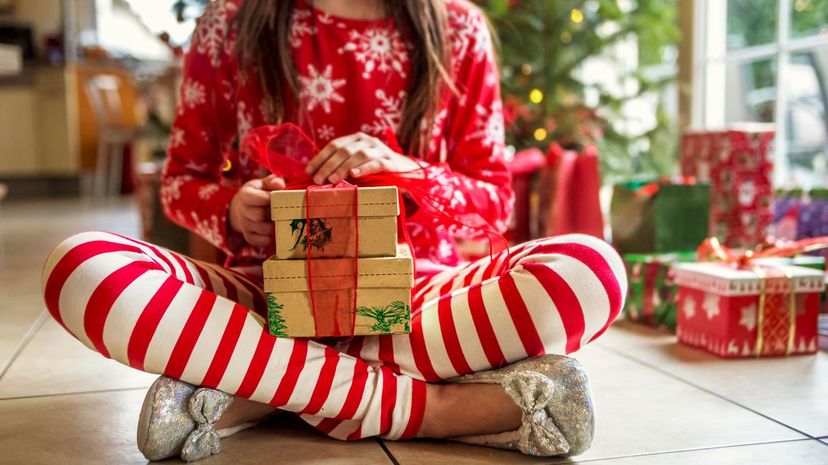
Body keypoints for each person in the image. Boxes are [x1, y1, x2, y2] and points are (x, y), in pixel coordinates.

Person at [41, 0, 627, 462]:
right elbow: (180, 183)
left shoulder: (459, 28)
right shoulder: (229, 22)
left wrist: (410, 172)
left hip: (415, 301)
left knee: (591, 272)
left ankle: (261, 391)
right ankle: (440, 409)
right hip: (264, 301)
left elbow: (494, 200)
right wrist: (232, 207)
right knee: (81, 268)